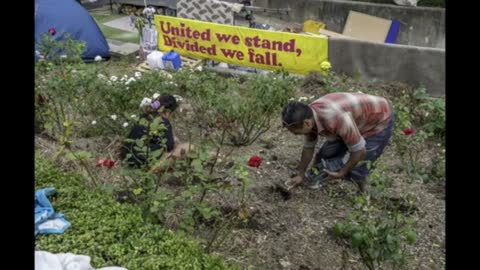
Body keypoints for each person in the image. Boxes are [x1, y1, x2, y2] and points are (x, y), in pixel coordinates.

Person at [282, 92, 395, 193]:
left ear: (307, 123)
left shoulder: (335, 118)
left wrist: (342, 172)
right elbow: (308, 148)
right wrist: (300, 174)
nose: (294, 134)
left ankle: (361, 193)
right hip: (353, 119)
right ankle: (316, 177)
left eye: (295, 131)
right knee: (325, 154)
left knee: (358, 167)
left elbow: (360, 151)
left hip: (379, 118)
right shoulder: (308, 115)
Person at [121, 94, 191, 171]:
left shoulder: (142, 117)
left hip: (130, 158)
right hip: (145, 160)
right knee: (189, 147)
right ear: (168, 112)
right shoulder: (163, 122)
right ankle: (154, 169)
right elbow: (169, 146)